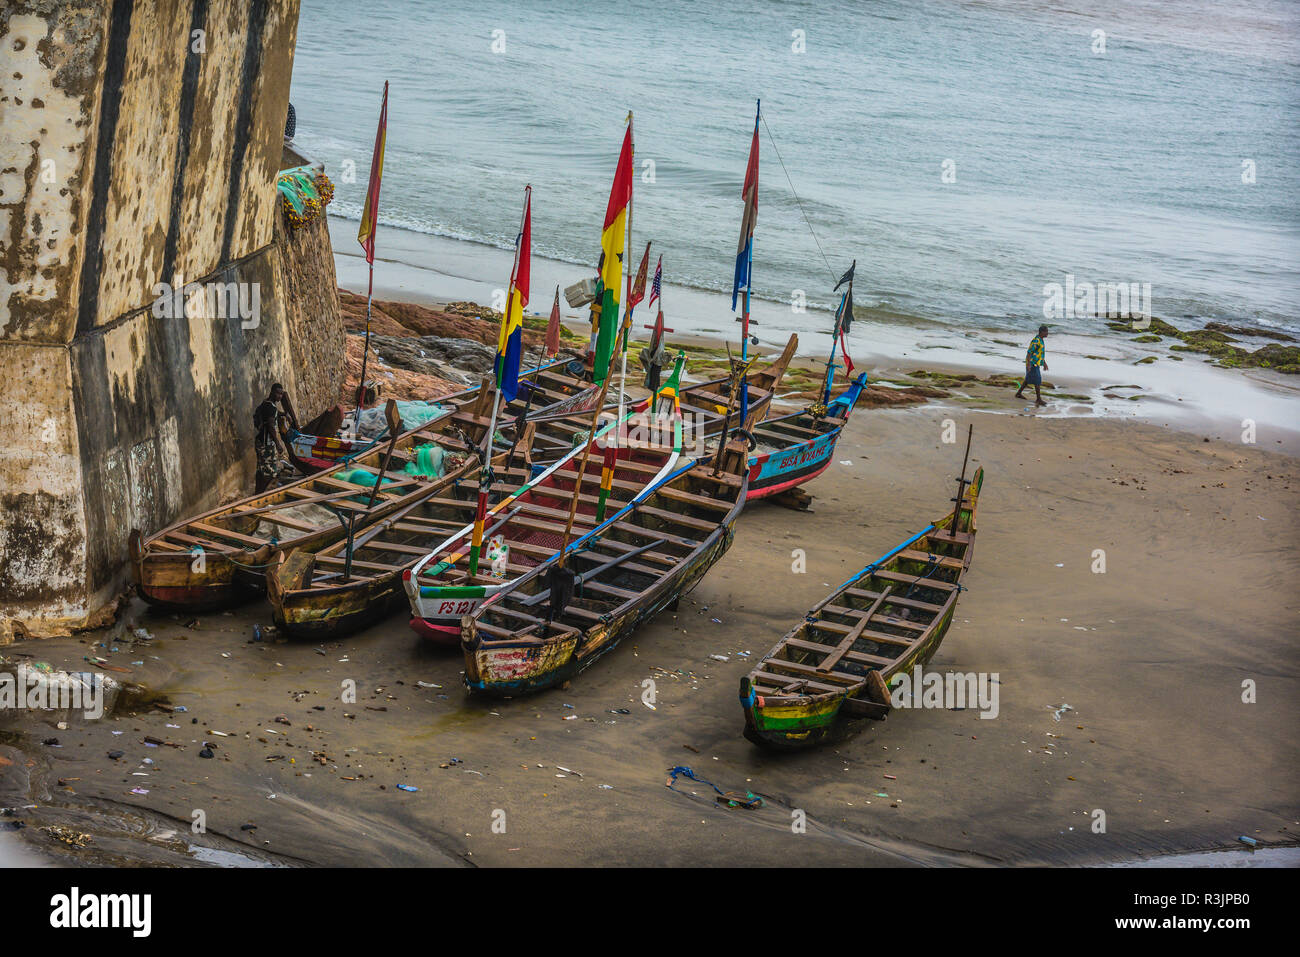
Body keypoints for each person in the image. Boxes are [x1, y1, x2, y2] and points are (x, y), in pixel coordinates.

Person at [253, 383, 298, 492]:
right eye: (278, 393)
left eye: (281, 394)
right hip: (266, 443)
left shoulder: (266, 403)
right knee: (269, 472)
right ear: (272, 392)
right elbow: (270, 426)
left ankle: (257, 493)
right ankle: (260, 494)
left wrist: (284, 414)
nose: (280, 396)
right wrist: (278, 443)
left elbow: (274, 413)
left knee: (261, 469)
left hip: (260, 441)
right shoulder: (271, 407)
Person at [1014, 325, 1049, 406]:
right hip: (1033, 363)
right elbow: (1029, 352)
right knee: (1037, 380)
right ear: (1042, 332)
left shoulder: (1041, 340)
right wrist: (1028, 364)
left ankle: (1018, 394)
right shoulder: (1036, 341)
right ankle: (1038, 399)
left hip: (1036, 363)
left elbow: (1040, 354)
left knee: (1027, 379)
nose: (1047, 333)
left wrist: (1044, 363)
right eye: (1046, 331)